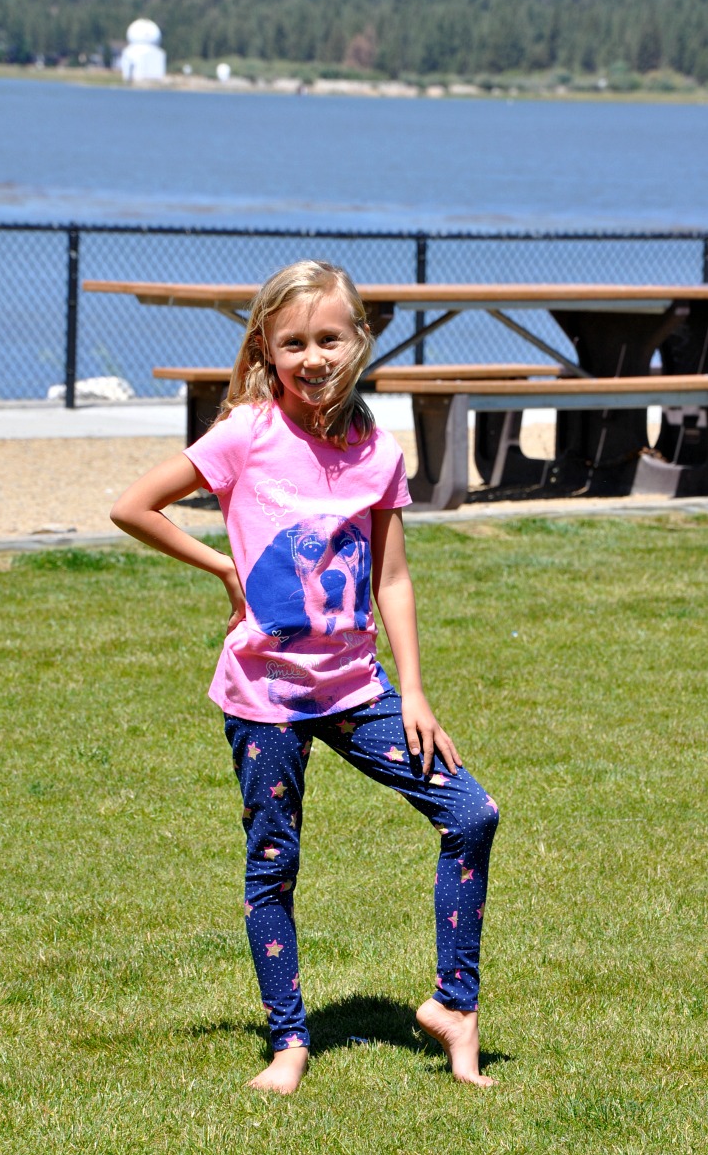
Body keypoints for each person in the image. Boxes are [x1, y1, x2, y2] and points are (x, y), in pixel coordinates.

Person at [110, 259, 499, 1094]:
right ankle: (289, 1042)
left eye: (330, 338)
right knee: (273, 864)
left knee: (471, 813)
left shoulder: (376, 451)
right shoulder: (245, 434)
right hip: (263, 700)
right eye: (294, 342)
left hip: (358, 692)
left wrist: (417, 692)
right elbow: (133, 507)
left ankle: (453, 1008)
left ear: (359, 340)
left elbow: (392, 579)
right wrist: (222, 568)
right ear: (266, 348)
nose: (313, 357)